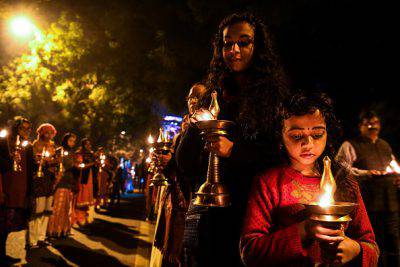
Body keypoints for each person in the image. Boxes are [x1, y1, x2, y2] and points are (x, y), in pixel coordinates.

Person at [176, 13, 289, 266]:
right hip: (208, 215)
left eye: (243, 42)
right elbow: (186, 162)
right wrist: (196, 126)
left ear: (257, 47)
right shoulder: (211, 94)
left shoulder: (273, 99)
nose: (234, 49)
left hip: (251, 215)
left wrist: (234, 151)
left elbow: (280, 158)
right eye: (227, 43)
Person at [240, 91, 379, 266]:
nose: (308, 144)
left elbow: (372, 247)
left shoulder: (345, 181)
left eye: (317, 134)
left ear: (327, 133)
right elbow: (250, 253)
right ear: (281, 136)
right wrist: (304, 230)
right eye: (297, 136)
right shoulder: (269, 182)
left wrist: (356, 250)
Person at [336, 110, 400, 266]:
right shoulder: (350, 145)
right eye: (368, 123)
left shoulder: (384, 145)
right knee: (373, 244)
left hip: (390, 203)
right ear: (360, 126)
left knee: (394, 242)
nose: (372, 126)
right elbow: (341, 168)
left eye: (375, 123)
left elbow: (395, 166)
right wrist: (366, 173)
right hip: (368, 203)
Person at [0, 117, 35, 265]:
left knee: (10, 225)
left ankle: (4, 253)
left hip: (21, 189)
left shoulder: (28, 146)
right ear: (16, 128)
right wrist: (9, 158)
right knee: (2, 223)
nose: (26, 131)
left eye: (28, 128)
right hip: (6, 187)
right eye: (23, 128)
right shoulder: (5, 142)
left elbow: (30, 168)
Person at [29, 123, 58, 248]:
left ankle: (41, 237)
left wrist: (55, 161)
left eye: (51, 133)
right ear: (41, 132)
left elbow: (55, 160)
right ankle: (32, 239)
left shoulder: (53, 145)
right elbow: (34, 161)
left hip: (50, 180)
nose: (49, 135)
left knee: (46, 211)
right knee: (37, 211)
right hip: (39, 180)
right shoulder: (35, 144)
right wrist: (42, 160)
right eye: (46, 132)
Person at [47, 133, 79, 238]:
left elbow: (74, 165)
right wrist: (73, 165)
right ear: (65, 140)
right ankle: (53, 230)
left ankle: (62, 230)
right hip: (60, 182)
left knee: (66, 207)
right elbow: (60, 164)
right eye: (70, 140)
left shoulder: (72, 153)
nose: (72, 143)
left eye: (74, 141)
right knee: (57, 207)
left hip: (69, 182)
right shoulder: (59, 151)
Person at [75, 138, 97, 226]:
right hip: (82, 177)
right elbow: (80, 166)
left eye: (89, 144)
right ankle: (79, 218)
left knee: (87, 199)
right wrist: (92, 164)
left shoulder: (91, 154)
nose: (89, 146)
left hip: (89, 177)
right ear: (83, 145)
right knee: (81, 197)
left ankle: (85, 216)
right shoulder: (79, 153)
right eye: (86, 144)